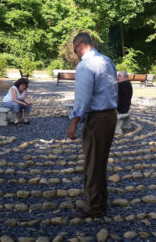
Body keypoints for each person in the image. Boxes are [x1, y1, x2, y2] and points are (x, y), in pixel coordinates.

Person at [67, 32, 118, 218]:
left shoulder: (85, 65)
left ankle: (92, 209)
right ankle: (101, 202)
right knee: (101, 161)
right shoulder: (107, 60)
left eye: (75, 50)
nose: (76, 54)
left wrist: (74, 122)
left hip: (97, 118)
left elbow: (83, 98)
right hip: (111, 115)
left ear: (80, 44)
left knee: (92, 164)